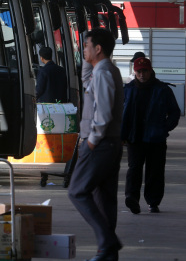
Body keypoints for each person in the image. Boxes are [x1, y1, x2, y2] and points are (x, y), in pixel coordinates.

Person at [68, 28, 124, 261]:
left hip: (99, 144)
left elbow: (103, 111)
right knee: (104, 198)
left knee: (77, 191)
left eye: (87, 45)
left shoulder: (104, 73)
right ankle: (107, 252)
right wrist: (86, 57)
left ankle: (107, 241)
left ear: (98, 49)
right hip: (109, 144)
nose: (84, 50)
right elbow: (85, 81)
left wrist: (90, 141)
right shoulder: (103, 70)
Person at [121, 57, 180, 214]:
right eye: (139, 71)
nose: (142, 74)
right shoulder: (128, 89)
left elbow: (174, 112)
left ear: (150, 71)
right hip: (135, 137)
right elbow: (121, 114)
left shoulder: (162, 90)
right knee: (134, 169)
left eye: (145, 71)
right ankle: (132, 198)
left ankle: (153, 202)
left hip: (156, 138)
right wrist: (122, 135)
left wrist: (164, 128)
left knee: (155, 171)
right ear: (135, 72)